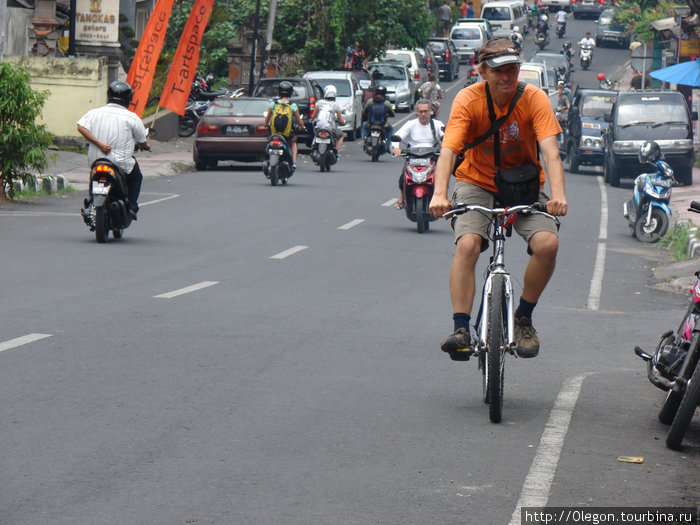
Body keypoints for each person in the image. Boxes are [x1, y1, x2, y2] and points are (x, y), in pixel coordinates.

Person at [428, 39, 567, 360]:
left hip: (525, 184)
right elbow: (448, 150)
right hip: (476, 181)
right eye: (498, 70)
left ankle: (523, 318)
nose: (507, 76)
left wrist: (558, 196)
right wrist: (439, 193)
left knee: (548, 244)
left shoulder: (534, 98)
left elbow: (551, 153)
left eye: (513, 69)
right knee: (468, 245)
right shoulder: (467, 99)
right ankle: (461, 328)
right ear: (482, 72)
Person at [77, 80, 150, 220]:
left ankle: (91, 202)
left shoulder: (94, 113)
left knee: (93, 176)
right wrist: (145, 146)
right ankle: (132, 207)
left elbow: (81, 127)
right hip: (120, 163)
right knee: (136, 177)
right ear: (128, 99)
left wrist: (99, 144)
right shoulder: (132, 118)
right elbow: (142, 141)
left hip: (96, 159)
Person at [391, 99, 445, 209]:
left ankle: (444, 197)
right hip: (413, 157)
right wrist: (396, 147)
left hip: (432, 157)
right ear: (416, 112)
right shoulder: (410, 124)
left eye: (426, 111)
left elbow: (446, 138)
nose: (423, 114)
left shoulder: (438, 125)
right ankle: (402, 195)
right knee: (403, 176)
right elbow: (397, 136)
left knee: (443, 176)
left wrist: (446, 147)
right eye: (421, 112)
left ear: (431, 111)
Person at [265, 80, 305, 171]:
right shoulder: (293, 105)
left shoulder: (273, 104)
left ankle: (267, 158)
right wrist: (302, 127)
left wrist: (266, 124)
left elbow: (267, 119)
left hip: (274, 133)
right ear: (290, 92)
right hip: (287, 134)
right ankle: (294, 162)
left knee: (269, 142)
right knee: (294, 142)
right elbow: (299, 121)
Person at [312, 85, 347, 151]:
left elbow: (312, 117)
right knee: (341, 135)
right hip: (330, 129)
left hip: (319, 127)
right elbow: (341, 120)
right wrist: (344, 122)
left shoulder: (319, 103)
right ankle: (336, 150)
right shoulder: (336, 105)